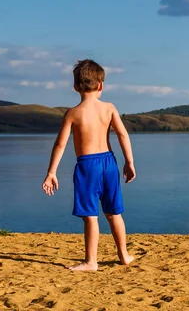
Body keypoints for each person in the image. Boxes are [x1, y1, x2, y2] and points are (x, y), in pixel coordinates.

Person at [42, 59, 136, 271]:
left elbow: (60, 144)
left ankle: (91, 261)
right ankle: (124, 254)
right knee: (114, 213)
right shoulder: (109, 108)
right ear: (101, 85)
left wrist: (51, 172)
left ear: (75, 86)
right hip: (109, 162)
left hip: (87, 166)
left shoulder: (73, 113)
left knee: (90, 216)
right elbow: (122, 134)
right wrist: (129, 162)